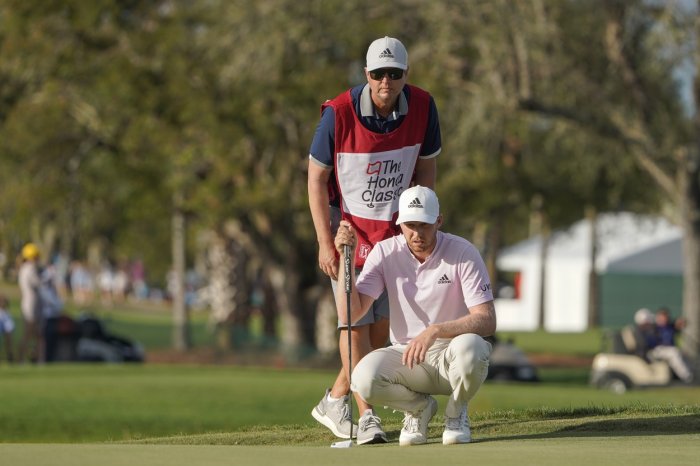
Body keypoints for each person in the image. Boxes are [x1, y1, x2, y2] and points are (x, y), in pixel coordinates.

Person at [308, 36, 442, 444]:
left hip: (394, 233)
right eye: (379, 73)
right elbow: (315, 179)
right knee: (353, 323)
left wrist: (423, 226)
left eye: (395, 73)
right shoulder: (338, 114)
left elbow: (427, 173)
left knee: (382, 331)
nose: (387, 81)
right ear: (366, 75)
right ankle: (367, 416)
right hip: (348, 231)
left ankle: (334, 399)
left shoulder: (423, 107)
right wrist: (325, 241)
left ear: (405, 75)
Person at [334, 186, 496, 446]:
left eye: (425, 225)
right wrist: (346, 259)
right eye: (410, 225)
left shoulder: (463, 252)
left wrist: (434, 330)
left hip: (452, 357)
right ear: (399, 222)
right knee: (362, 379)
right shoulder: (385, 252)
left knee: (474, 346)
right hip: (407, 358)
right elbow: (350, 313)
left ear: (439, 221)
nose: (417, 233)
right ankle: (419, 409)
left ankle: (456, 413)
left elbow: (487, 319)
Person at [633, 308, 693, 383]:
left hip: (662, 351)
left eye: (666, 317)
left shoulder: (668, 327)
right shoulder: (648, 329)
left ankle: (692, 374)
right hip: (653, 352)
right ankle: (687, 377)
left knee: (680, 353)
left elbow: (678, 325)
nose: (664, 319)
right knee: (673, 352)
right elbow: (647, 345)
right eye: (661, 317)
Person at [17, 243, 45, 363]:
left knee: (35, 334)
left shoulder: (23, 268)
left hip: (29, 303)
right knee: (30, 333)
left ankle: (37, 358)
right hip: (31, 304)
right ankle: (24, 359)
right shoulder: (30, 268)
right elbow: (38, 283)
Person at [0, 294, 15, 362]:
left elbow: (9, 327)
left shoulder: (7, 314)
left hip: (6, 322)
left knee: (8, 340)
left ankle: (10, 356)